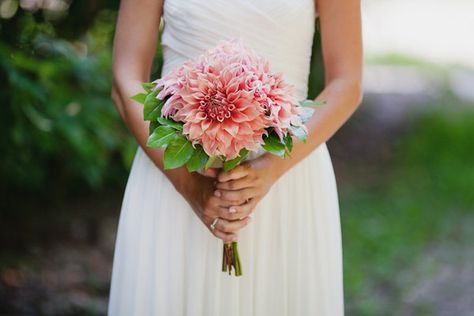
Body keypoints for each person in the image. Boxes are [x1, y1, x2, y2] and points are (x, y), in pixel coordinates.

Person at [107, 0, 362, 315]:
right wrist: (189, 186)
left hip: (288, 174)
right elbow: (125, 77)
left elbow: (347, 83)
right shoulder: (182, 180)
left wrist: (269, 169)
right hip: (173, 171)